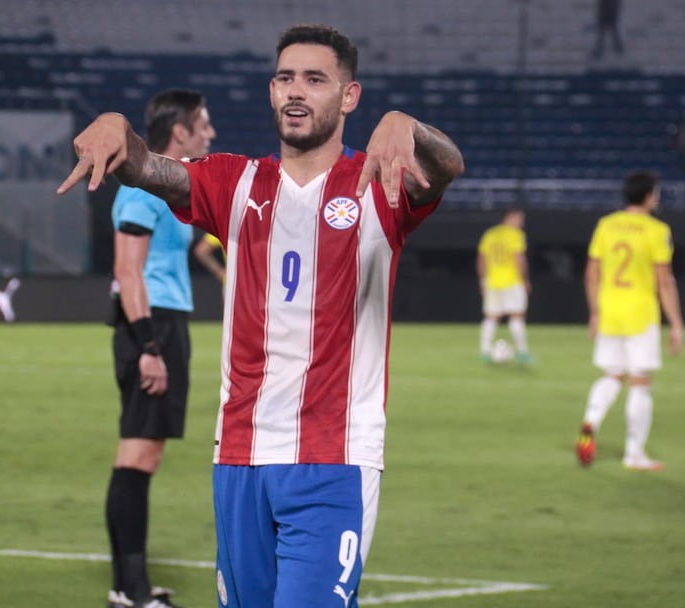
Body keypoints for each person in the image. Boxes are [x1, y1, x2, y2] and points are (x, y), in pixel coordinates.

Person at [58, 23, 463, 608]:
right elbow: (149, 169)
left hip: (334, 457)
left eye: (315, 80)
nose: (295, 91)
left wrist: (409, 125)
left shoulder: (380, 184)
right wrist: (119, 130)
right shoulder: (234, 181)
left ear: (349, 97)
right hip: (241, 454)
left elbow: (447, 166)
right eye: (284, 78)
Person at [104, 89, 216, 608]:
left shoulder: (168, 186)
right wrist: (148, 345)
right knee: (137, 455)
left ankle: (130, 586)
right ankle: (132, 591)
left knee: (142, 455)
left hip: (163, 322)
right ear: (180, 132)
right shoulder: (140, 188)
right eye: (203, 125)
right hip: (150, 326)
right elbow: (127, 271)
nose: (209, 133)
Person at [575, 170, 682, 471]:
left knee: (612, 375)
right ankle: (634, 453)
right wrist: (676, 322)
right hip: (640, 313)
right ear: (649, 195)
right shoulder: (656, 230)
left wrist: (594, 312)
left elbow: (591, 273)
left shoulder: (606, 226)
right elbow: (665, 280)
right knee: (640, 382)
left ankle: (590, 422)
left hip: (610, 311)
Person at [476, 207, 533, 364]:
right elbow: (519, 258)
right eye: (519, 219)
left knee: (491, 317)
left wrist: (483, 280)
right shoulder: (515, 235)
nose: (521, 223)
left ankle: (485, 351)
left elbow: (481, 259)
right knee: (517, 315)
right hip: (512, 281)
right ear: (510, 217)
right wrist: (525, 279)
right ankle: (522, 353)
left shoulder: (490, 234)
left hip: (492, 282)